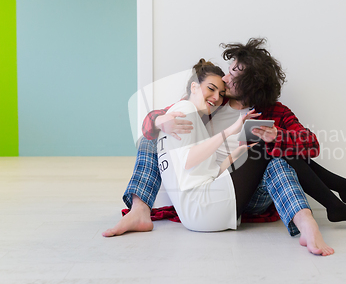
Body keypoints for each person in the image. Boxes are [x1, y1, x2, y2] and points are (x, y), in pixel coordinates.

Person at [105, 59, 334, 256]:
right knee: (150, 138)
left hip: (253, 191)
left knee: (274, 158)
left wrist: (278, 136)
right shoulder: (211, 103)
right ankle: (139, 210)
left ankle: (306, 221)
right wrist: (158, 121)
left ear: (250, 81)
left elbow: (311, 144)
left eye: (232, 73)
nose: (225, 77)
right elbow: (156, 121)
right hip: (213, 189)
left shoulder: (275, 111)